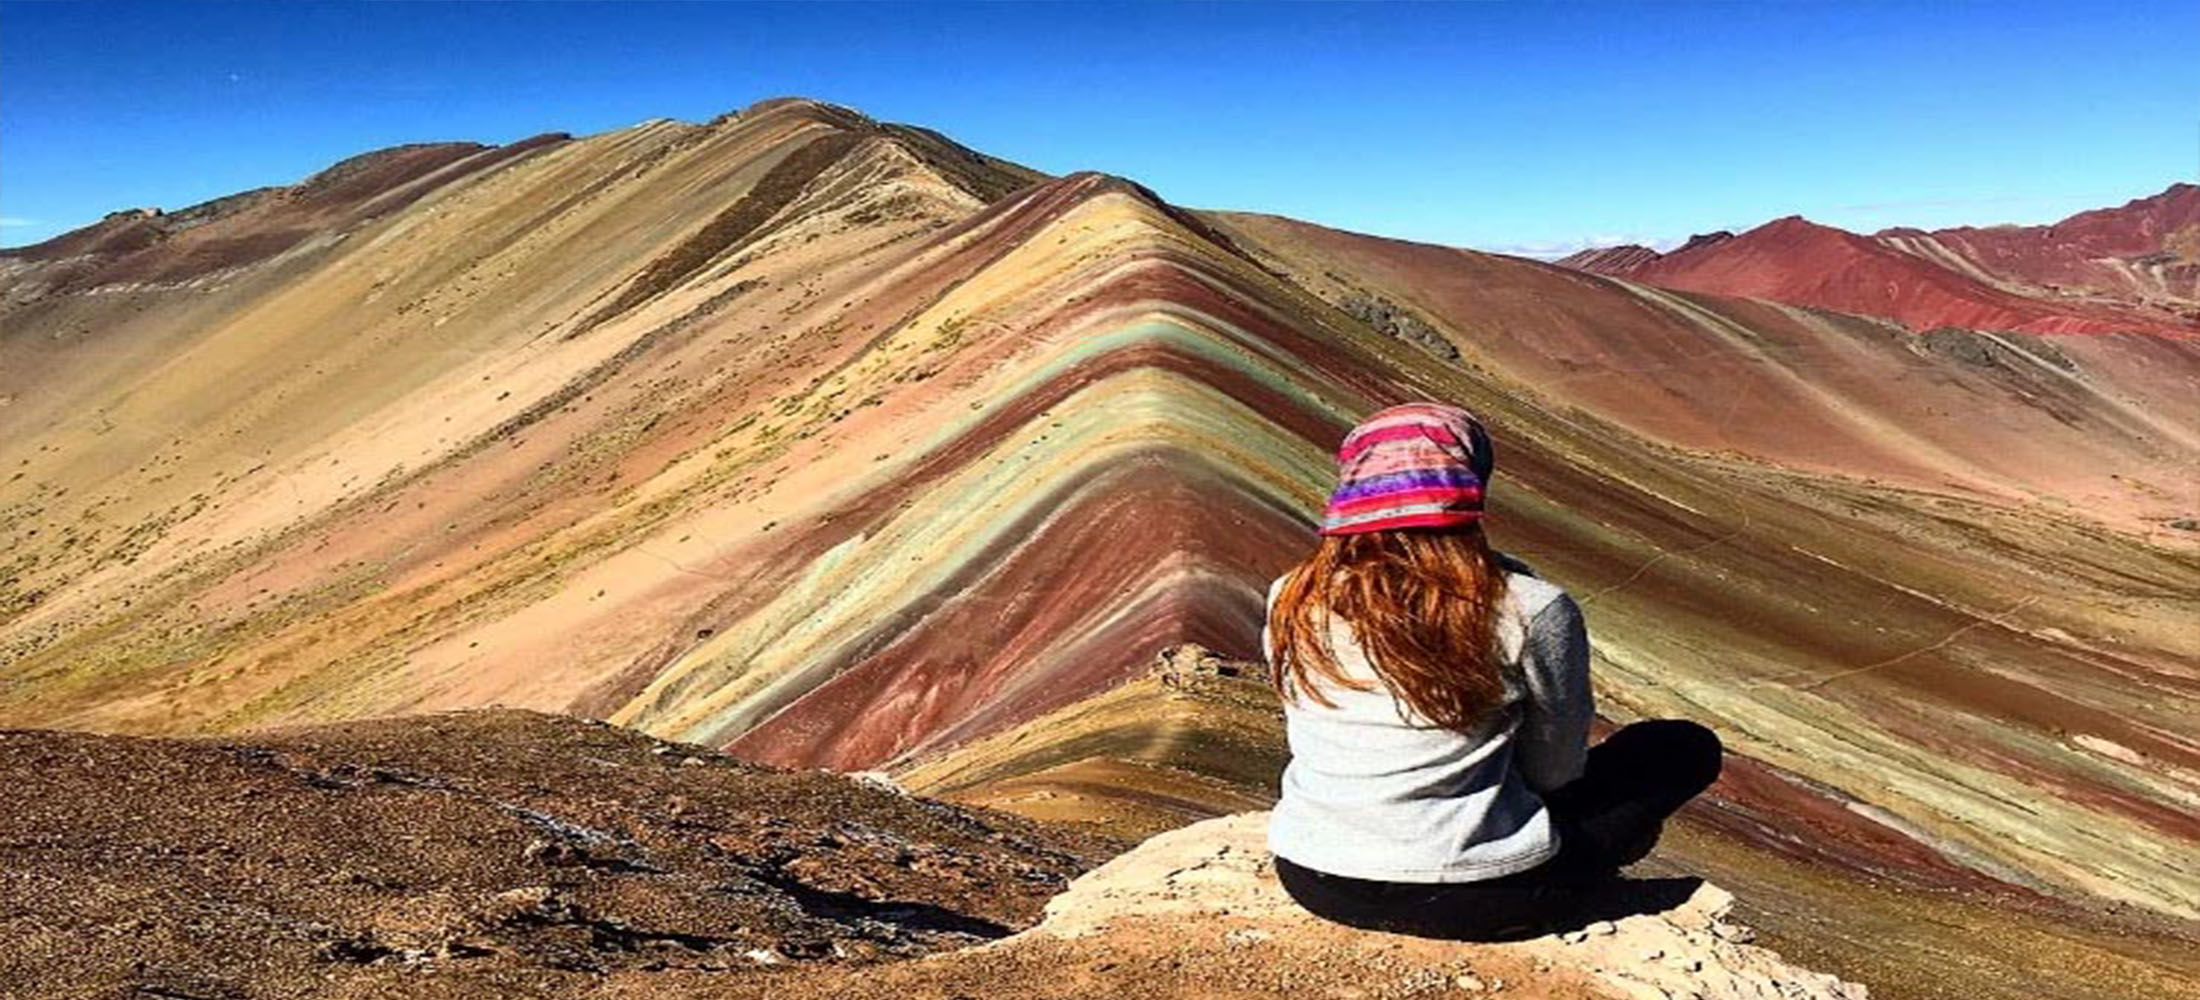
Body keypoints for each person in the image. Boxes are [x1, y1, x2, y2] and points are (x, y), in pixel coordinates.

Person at [1264, 401, 1723, 941]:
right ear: (1471, 483)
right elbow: (1555, 770)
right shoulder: (1528, 606)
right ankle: (1579, 876)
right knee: (1680, 748)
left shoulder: (1291, 596)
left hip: (1314, 876)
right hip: (1479, 896)